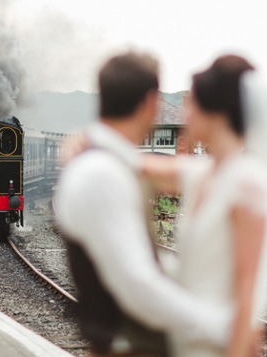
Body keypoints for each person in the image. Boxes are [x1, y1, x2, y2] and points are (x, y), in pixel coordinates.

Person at [53, 51, 232, 356]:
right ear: (151, 103)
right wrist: (217, 326)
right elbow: (137, 284)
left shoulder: (107, 164)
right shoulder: (102, 174)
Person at [140, 55, 267, 356]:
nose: (185, 114)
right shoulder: (203, 173)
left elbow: (247, 291)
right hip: (187, 341)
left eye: (192, 105)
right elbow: (138, 165)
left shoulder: (247, 184)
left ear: (216, 114)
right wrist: (93, 144)